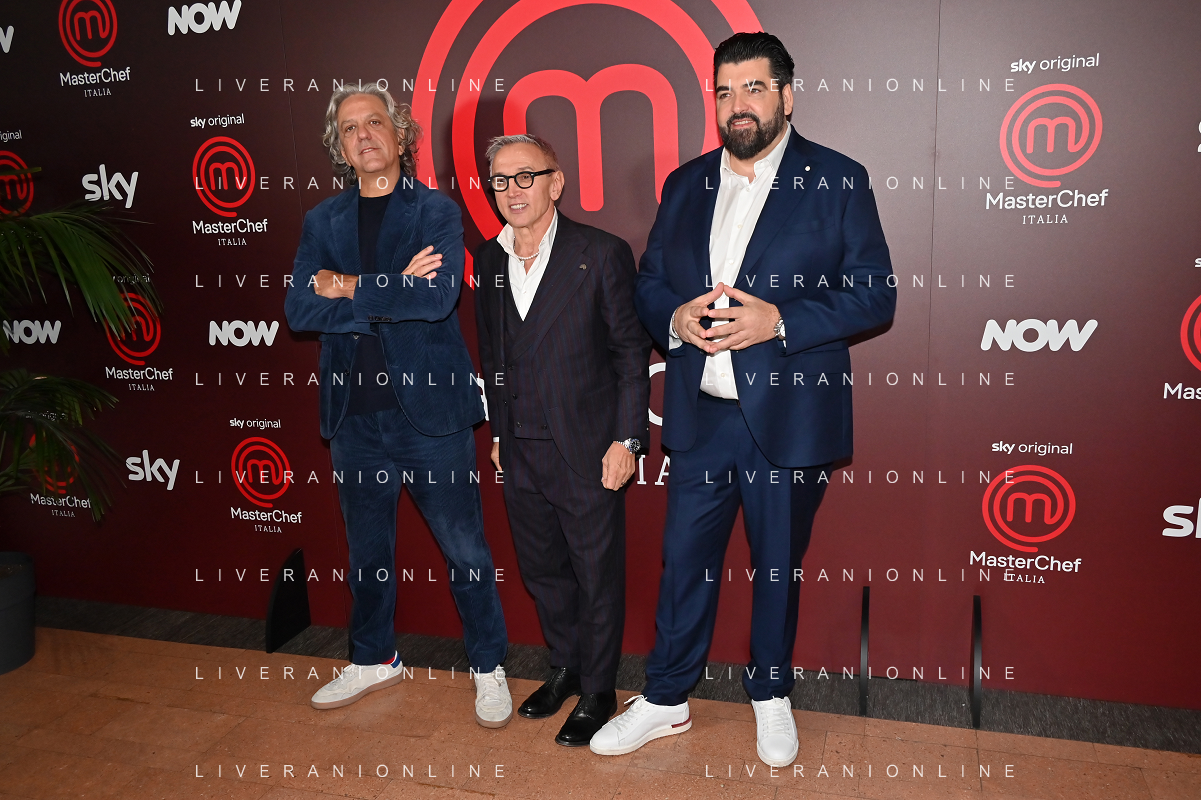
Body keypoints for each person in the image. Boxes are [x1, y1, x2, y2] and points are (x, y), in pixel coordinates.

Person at [590, 32, 896, 766]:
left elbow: (874, 294)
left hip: (788, 419)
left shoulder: (838, 179)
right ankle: (666, 697)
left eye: (754, 89)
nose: (738, 106)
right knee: (682, 564)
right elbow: (649, 282)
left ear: (787, 96)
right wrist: (674, 317)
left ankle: (770, 694)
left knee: (777, 566)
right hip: (700, 416)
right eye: (725, 92)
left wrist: (779, 322)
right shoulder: (685, 183)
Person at [283, 83, 512, 728]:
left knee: (465, 549)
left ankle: (488, 665)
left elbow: (435, 299)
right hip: (353, 417)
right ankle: (373, 658)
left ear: (400, 133)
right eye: (350, 128)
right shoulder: (322, 220)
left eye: (375, 122)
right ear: (339, 147)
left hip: (430, 416)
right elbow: (300, 309)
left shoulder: (434, 210)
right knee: (367, 553)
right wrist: (389, 290)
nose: (364, 135)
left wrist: (345, 287)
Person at [474, 134, 651, 746]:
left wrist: (628, 439)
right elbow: (492, 356)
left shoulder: (599, 253)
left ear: (556, 182)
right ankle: (566, 667)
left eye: (526, 176)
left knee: (595, 574)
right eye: (500, 180)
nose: (513, 190)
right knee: (544, 572)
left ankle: (599, 689)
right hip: (520, 449)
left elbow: (630, 355)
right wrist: (500, 432)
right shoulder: (489, 259)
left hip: (586, 448)